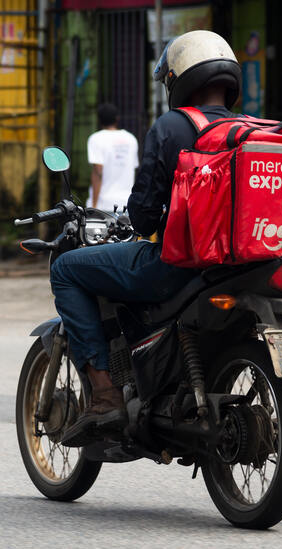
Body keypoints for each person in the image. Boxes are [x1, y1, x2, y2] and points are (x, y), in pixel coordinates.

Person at [51, 30, 242, 447]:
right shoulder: (246, 130)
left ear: (179, 79)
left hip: (179, 266)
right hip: (238, 265)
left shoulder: (172, 126)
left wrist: (146, 218)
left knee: (65, 269)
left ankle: (105, 395)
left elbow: (142, 214)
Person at [86, 103, 139, 212]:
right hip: (127, 204)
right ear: (117, 118)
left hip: (104, 206)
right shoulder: (131, 139)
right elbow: (133, 170)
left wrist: (94, 205)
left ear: (99, 120)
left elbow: (98, 173)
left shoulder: (96, 139)